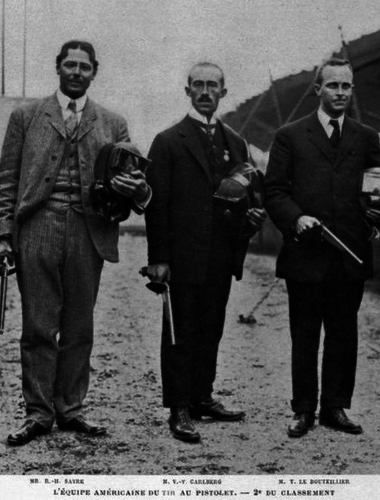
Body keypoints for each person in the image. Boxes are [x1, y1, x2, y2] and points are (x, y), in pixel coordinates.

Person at [0, 40, 150, 446]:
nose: (77, 72)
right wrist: (2, 235)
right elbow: (7, 177)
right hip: (37, 227)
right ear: (57, 67)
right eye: (70, 64)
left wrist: (129, 187)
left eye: (84, 66)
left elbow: (129, 185)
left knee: (80, 327)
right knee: (38, 326)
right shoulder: (26, 116)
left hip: (88, 230)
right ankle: (38, 413)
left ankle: (71, 409)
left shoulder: (113, 123)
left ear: (95, 71)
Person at [264, 58, 380, 438]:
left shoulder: (365, 137)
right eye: (333, 86)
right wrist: (296, 218)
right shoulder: (290, 135)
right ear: (318, 89)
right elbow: (274, 190)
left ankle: (335, 408)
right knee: (305, 335)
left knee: (343, 335)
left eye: (346, 87)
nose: (340, 93)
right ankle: (304, 410)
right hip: (306, 254)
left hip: (349, 256)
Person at [144, 62, 266, 442]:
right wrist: (159, 259)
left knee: (211, 328)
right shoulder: (168, 141)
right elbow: (155, 204)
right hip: (182, 257)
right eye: (198, 84)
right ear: (187, 90)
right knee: (180, 332)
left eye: (213, 85)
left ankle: (202, 397)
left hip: (220, 255)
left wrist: (253, 218)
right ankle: (179, 407)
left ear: (223, 92)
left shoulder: (236, 142)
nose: (205, 91)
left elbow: (247, 198)